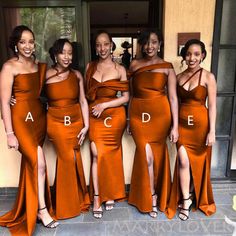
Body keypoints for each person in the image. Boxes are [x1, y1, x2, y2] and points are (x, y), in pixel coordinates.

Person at [0, 25, 58, 236]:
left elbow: (45, 88)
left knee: (32, 165)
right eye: (23, 41)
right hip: (21, 121)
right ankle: (42, 210)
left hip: (38, 118)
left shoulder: (38, 66)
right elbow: (5, 102)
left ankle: (29, 204)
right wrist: (9, 133)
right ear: (15, 44)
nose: (27, 45)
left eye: (31, 41)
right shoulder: (9, 67)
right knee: (38, 161)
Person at [127, 29, 179, 218]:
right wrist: (128, 120)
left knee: (157, 156)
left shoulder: (167, 66)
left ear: (160, 44)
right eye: (147, 42)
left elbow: (173, 98)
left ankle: (156, 193)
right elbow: (131, 95)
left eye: (154, 42)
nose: (150, 46)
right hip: (138, 114)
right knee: (146, 155)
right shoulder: (134, 65)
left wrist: (175, 126)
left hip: (160, 116)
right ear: (142, 44)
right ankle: (151, 196)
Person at [167, 39, 217, 220]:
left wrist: (212, 131)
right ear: (184, 55)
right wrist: (174, 127)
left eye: (196, 54)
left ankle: (192, 195)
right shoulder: (178, 77)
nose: (192, 58)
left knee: (198, 163)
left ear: (203, 55)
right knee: (182, 161)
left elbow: (212, 106)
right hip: (182, 127)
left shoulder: (208, 77)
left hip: (201, 128)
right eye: (188, 54)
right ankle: (186, 200)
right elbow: (174, 103)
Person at [85, 30, 129, 218]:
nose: (102, 48)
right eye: (98, 44)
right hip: (94, 116)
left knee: (110, 155)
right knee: (96, 154)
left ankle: (109, 193)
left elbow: (126, 98)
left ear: (111, 45)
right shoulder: (89, 67)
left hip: (113, 115)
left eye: (105, 44)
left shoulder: (120, 69)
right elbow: (82, 94)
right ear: (95, 47)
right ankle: (97, 196)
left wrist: (105, 104)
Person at [45, 38, 90, 219]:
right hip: (55, 122)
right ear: (55, 55)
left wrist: (86, 125)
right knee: (67, 158)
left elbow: (83, 101)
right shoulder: (46, 75)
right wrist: (11, 99)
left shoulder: (77, 75)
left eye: (70, 53)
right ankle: (66, 206)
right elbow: (29, 95)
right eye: (63, 52)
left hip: (75, 121)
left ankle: (76, 199)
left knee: (73, 157)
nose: (67, 56)